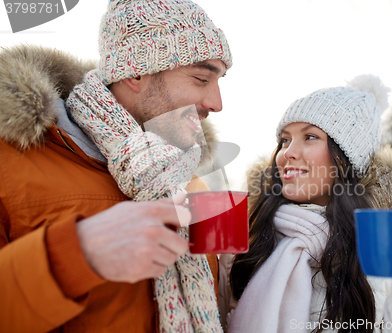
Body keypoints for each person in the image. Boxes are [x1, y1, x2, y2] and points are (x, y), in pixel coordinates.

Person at [0, 0, 232, 332]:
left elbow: (223, 299)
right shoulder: (11, 159)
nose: (217, 103)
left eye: (220, 80)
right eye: (200, 78)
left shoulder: (188, 176)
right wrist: (73, 256)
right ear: (135, 72)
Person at [219, 75, 392, 332]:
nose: (287, 153)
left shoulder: (388, 250)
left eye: (310, 136)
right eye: (284, 140)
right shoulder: (248, 237)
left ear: (346, 157)